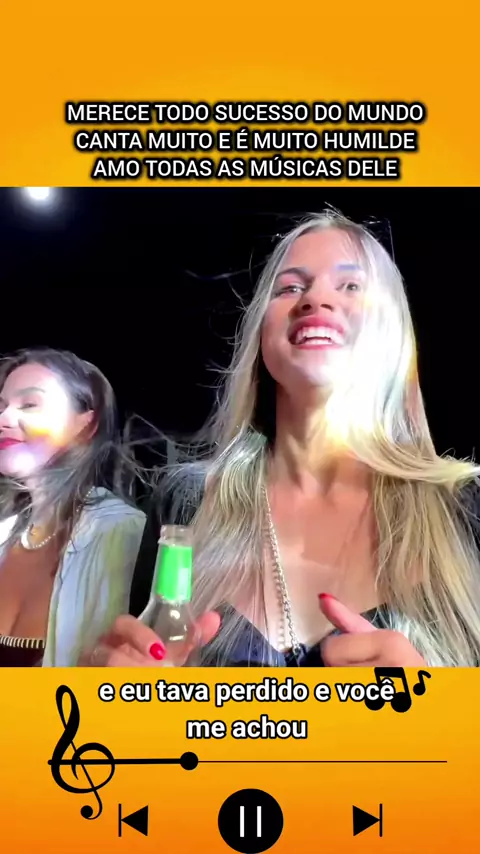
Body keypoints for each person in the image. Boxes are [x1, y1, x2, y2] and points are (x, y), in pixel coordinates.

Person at [87, 211, 480, 668]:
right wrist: (113, 692)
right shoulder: (185, 502)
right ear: (261, 332)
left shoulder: (463, 508)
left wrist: (438, 707)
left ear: (394, 329)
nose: (315, 298)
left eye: (351, 286)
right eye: (290, 287)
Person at [0, 348, 146, 666]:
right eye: (1, 406)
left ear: (86, 425)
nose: (4, 419)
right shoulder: (4, 532)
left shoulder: (121, 533)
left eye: (29, 404)